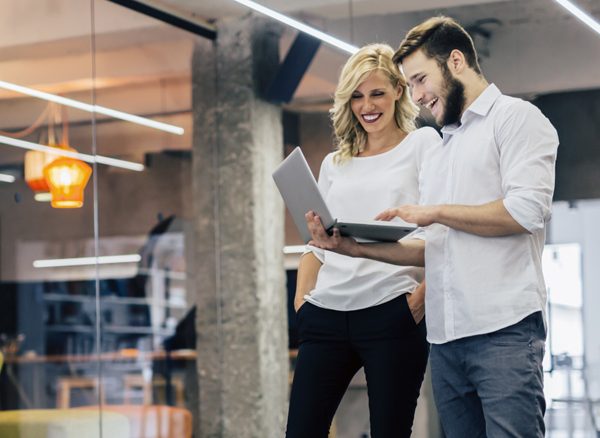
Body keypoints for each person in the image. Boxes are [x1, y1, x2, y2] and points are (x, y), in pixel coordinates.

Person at [306, 16, 558, 438]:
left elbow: (526, 211)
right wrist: (354, 249)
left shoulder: (516, 119)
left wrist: (435, 211)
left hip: (504, 332)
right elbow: (433, 245)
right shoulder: (443, 144)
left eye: (421, 79)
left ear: (455, 61)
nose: (418, 96)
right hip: (446, 339)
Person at [285, 44, 441, 438]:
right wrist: (302, 301)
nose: (366, 105)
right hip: (325, 314)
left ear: (399, 92)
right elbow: (314, 244)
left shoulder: (422, 145)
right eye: (356, 95)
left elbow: (441, 234)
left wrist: (418, 301)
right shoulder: (335, 163)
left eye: (376, 93)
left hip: (392, 313)